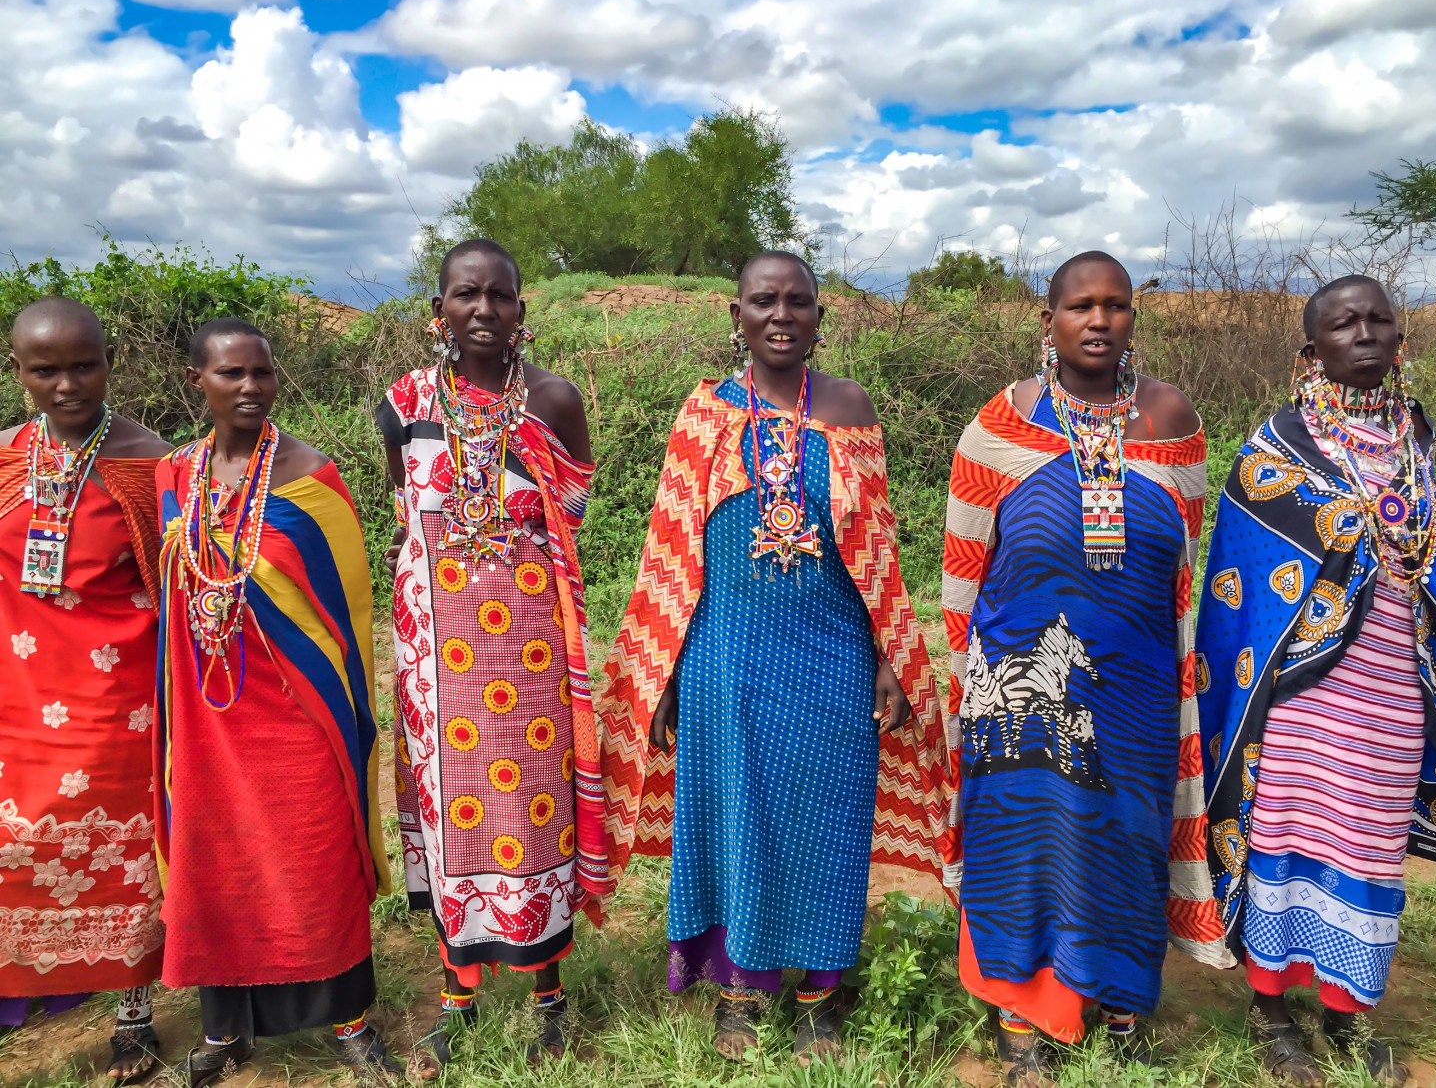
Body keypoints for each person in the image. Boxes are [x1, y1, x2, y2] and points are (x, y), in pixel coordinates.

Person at [596, 250, 954, 1064]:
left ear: (820, 318)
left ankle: (821, 998)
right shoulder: (704, 413)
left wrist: (890, 658)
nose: (782, 315)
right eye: (765, 301)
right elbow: (669, 552)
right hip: (725, 655)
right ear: (737, 315)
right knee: (736, 818)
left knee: (829, 816)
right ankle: (741, 991)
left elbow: (881, 546)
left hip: (831, 655)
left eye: (799, 302)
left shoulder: (849, 407)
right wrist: (666, 674)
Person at [1197, 275, 1436, 1087]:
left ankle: (1347, 1008)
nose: (1364, 334)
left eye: (1379, 320)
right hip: (1297, 693)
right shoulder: (1275, 450)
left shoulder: (1416, 443)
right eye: (1344, 323)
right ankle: (1270, 1009)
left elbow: (1427, 569)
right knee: (1288, 838)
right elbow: (1239, 586)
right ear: (1312, 349)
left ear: (1401, 339)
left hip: (1394, 689)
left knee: (1368, 843)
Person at [941, 251, 1233, 1085]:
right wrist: (975, 689)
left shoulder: (1173, 422)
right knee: (1024, 838)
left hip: (1138, 689)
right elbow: (962, 574)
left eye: (1117, 306)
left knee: (1126, 841)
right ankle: (1020, 1014)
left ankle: (1121, 1003)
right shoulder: (994, 429)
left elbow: (1181, 561)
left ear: (1133, 319)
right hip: (1018, 680)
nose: (1099, 321)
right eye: (1081, 307)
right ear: (1049, 322)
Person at [152, 319, 397, 1088]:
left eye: (262, 372)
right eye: (232, 374)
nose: (251, 387)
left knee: (315, 855)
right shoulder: (172, 477)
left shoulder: (312, 480)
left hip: (298, 713)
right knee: (215, 860)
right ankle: (225, 1028)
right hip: (205, 715)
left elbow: (347, 619)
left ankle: (350, 1023)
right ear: (199, 382)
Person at [378, 239, 600, 1075]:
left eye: (499, 295)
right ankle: (457, 998)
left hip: (531, 650)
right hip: (438, 653)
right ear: (438, 311)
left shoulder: (553, 399)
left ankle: (550, 997)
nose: (483, 309)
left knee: (534, 808)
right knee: (450, 810)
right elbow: (407, 508)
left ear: (521, 308)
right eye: (464, 295)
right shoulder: (401, 403)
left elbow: (569, 511)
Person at [0, 298, 169, 1081]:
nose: (67, 383)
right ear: (18, 372)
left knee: (126, 851)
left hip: (120, 699)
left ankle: (133, 1017)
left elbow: (175, 583)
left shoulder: (149, 461)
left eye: (84, 364)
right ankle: (22, 997)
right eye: (45, 369)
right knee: (16, 844)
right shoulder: (3, 456)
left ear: (110, 361)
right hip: (18, 693)